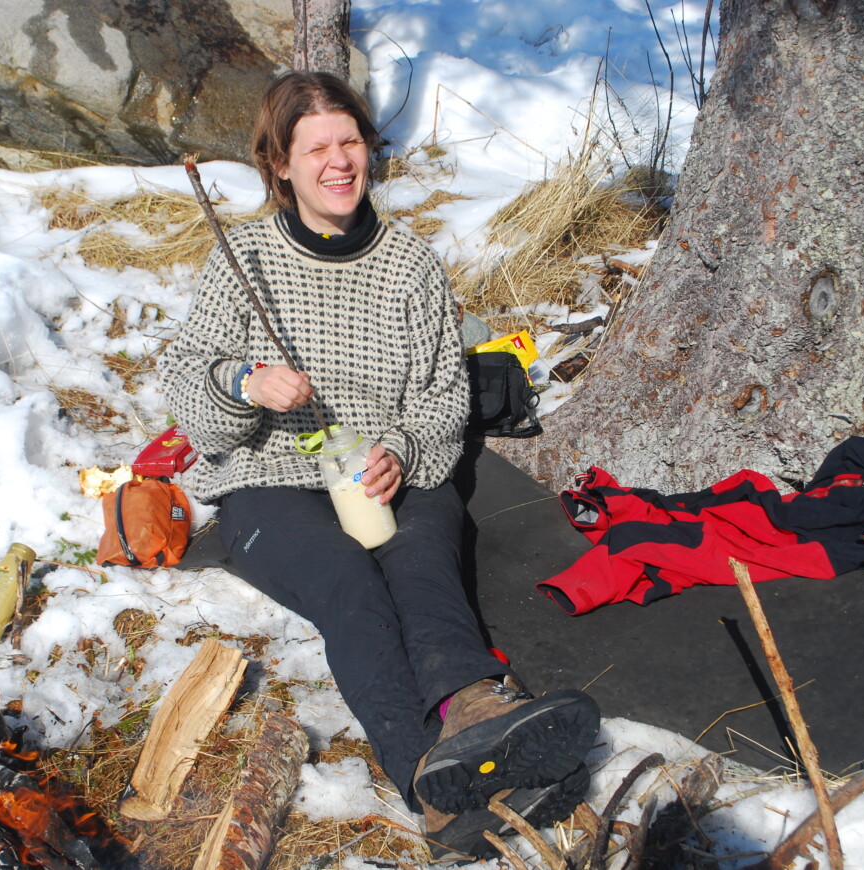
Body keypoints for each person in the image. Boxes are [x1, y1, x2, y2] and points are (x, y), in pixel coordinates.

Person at [158, 71, 599, 860]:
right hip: (272, 477)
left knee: (424, 569)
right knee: (350, 588)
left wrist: (399, 450)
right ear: (280, 166)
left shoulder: (408, 264)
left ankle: (476, 711)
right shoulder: (246, 258)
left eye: (350, 141)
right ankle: (431, 782)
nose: (338, 162)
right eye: (315, 147)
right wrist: (245, 382)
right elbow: (187, 379)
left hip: (386, 468)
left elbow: (441, 394)